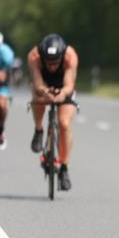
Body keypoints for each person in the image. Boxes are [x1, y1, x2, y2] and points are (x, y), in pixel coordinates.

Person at [27, 33, 79, 191]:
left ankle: (64, 167)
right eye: (48, 63)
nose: (51, 66)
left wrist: (62, 94)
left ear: (61, 56)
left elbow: (69, 85)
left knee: (64, 123)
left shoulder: (70, 56)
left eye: (55, 62)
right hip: (44, 85)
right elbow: (37, 83)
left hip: (64, 87)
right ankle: (38, 129)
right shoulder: (34, 56)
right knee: (37, 98)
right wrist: (45, 92)